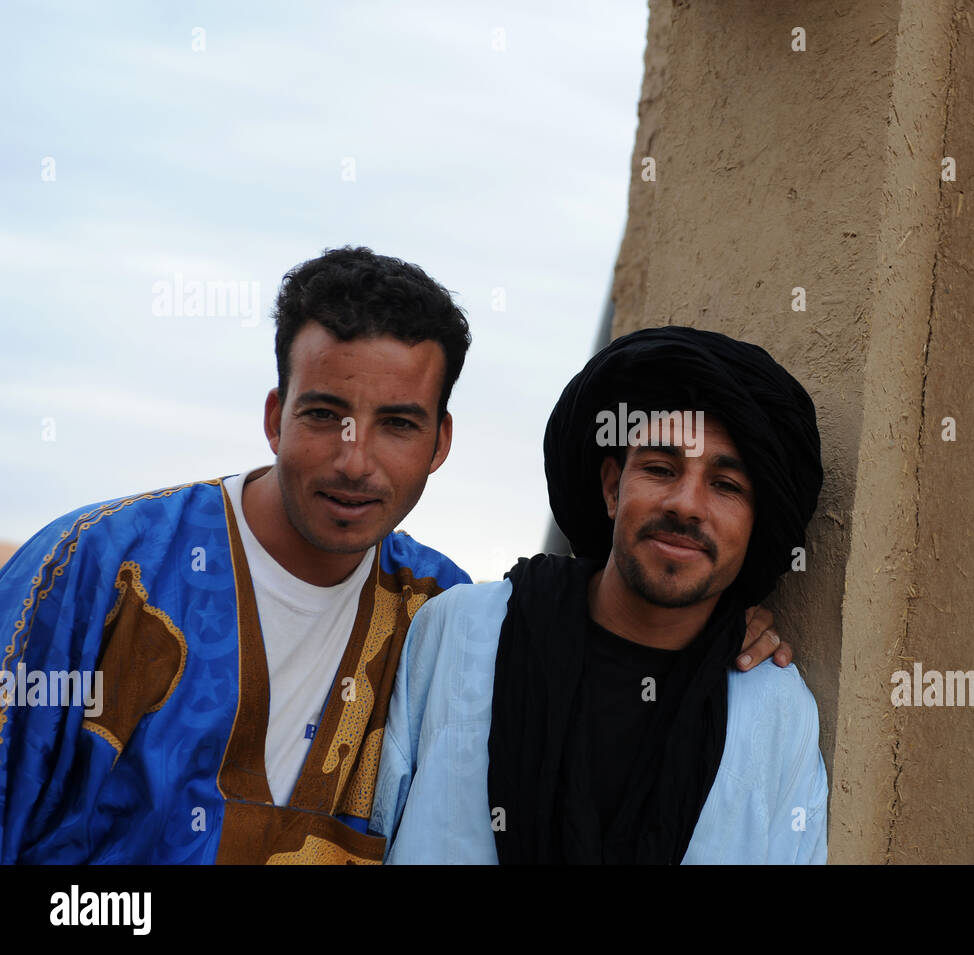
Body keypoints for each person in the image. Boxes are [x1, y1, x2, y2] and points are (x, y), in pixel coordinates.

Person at [0, 249, 791, 864]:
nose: (356, 460)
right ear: (274, 416)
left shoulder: (439, 617)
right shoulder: (97, 572)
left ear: (440, 441)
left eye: (399, 424)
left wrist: (730, 624)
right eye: (325, 413)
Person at [372, 325, 827, 864]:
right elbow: (369, 828)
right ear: (613, 488)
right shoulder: (461, 630)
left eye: (726, 485)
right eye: (661, 469)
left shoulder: (773, 705)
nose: (687, 504)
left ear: (756, 524)